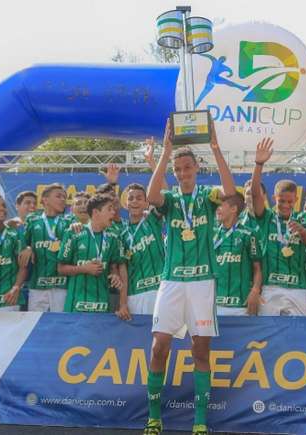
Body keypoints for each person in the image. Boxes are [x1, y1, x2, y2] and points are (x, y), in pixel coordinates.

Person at [143, 117, 235, 435]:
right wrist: (166, 150)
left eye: (187, 168)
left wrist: (216, 148)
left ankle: (199, 422)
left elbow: (231, 193)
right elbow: (152, 196)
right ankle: (154, 417)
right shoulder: (170, 201)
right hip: (171, 281)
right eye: (178, 169)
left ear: (196, 168)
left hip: (202, 283)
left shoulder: (208, 197)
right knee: (159, 347)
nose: (183, 173)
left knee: (200, 351)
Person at [249, 139, 306, 316]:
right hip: (270, 287)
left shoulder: (301, 217)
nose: (285, 205)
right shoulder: (266, 217)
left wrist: (301, 230)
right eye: (281, 201)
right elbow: (255, 195)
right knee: (268, 336)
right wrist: (259, 164)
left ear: (296, 200)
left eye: (290, 201)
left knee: (301, 334)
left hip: (298, 287)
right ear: (274, 198)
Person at [57, 194, 128, 317]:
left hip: (103, 306)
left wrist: (115, 275)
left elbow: (114, 267)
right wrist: (84, 268)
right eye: (109, 209)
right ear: (96, 212)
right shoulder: (73, 233)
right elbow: (61, 268)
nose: (113, 212)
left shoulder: (114, 236)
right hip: (76, 307)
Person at [22, 183, 73, 312]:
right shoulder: (33, 220)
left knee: (61, 326)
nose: (63, 200)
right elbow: (24, 243)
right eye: (58, 196)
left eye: (64, 197)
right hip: (38, 285)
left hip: (62, 285)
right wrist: (28, 247)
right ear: (45, 200)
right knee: (35, 325)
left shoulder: (69, 221)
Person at [214, 192, 262, 315]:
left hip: (241, 306)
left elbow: (257, 268)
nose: (217, 209)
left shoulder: (248, 234)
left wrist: (255, 291)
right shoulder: (210, 233)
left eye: (220, 205)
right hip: (213, 305)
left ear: (233, 209)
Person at [121, 183, 164, 315]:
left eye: (139, 198)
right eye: (131, 198)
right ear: (126, 204)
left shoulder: (153, 219)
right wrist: (123, 303)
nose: (134, 201)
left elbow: (165, 194)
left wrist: (154, 164)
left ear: (146, 203)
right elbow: (123, 269)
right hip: (135, 295)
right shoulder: (121, 232)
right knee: (136, 336)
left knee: (164, 335)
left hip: (161, 290)